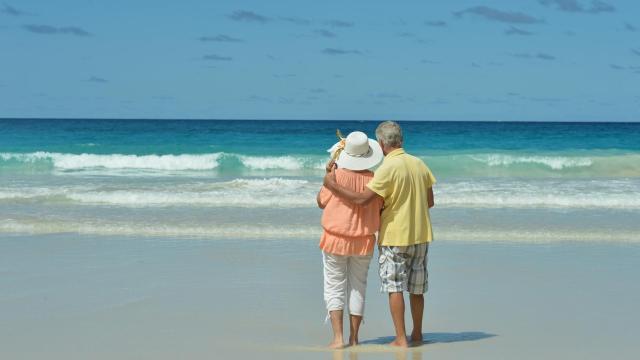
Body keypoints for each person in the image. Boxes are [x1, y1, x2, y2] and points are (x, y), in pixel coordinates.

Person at [323, 121, 436, 348]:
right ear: (400, 140)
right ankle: (417, 334)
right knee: (416, 288)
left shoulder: (386, 168)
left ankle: (401, 338)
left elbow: (362, 200)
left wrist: (332, 185)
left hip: (395, 235)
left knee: (394, 287)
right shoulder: (419, 163)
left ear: (382, 144)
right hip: (421, 234)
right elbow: (430, 201)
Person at [317, 131, 384, 349]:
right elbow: (380, 207)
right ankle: (355, 338)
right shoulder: (375, 180)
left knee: (334, 286)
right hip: (364, 239)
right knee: (358, 287)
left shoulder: (335, 176)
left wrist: (329, 178)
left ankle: (338, 338)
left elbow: (320, 201)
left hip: (335, 238)